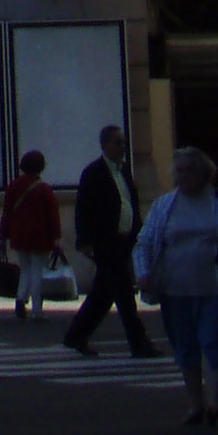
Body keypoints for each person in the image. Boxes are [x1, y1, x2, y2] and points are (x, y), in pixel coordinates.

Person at [133, 144, 218, 424]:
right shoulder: (164, 205)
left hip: (214, 285)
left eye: (190, 171)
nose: (184, 177)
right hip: (175, 288)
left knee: (213, 339)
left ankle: (213, 401)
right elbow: (144, 242)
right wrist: (143, 272)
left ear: (204, 174)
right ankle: (195, 403)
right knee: (185, 345)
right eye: (180, 171)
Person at [64, 124, 158, 359]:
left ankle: (76, 335)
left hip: (126, 240)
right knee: (125, 294)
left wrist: (139, 232)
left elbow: (129, 203)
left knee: (103, 294)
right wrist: (85, 240)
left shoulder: (123, 171)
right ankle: (139, 343)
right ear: (105, 145)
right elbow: (83, 209)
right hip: (105, 241)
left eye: (124, 143)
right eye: (117, 143)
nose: (122, 147)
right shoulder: (94, 172)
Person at [0, 150, 63, 320]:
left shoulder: (13, 186)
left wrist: (3, 236)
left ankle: (20, 299)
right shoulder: (44, 189)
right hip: (40, 236)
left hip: (19, 235)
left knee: (25, 269)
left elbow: (7, 212)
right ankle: (36, 309)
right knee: (37, 272)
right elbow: (53, 215)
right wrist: (56, 236)